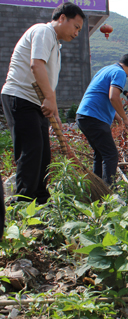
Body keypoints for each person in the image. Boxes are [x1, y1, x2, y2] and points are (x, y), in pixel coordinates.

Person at [1, 3, 85, 204]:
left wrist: (52, 106)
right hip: (20, 97)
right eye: (76, 27)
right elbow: (35, 64)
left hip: (37, 102)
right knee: (31, 150)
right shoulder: (43, 31)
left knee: (43, 153)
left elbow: (48, 80)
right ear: (62, 18)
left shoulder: (56, 43)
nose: (77, 33)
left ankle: (40, 199)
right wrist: (49, 98)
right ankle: (22, 202)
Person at [76, 54, 128, 185]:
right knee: (111, 154)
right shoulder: (120, 73)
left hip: (84, 115)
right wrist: (126, 119)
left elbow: (101, 93)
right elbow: (113, 97)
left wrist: (117, 117)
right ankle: (109, 190)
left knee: (100, 153)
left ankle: (98, 188)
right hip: (94, 116)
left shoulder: (105, 69)